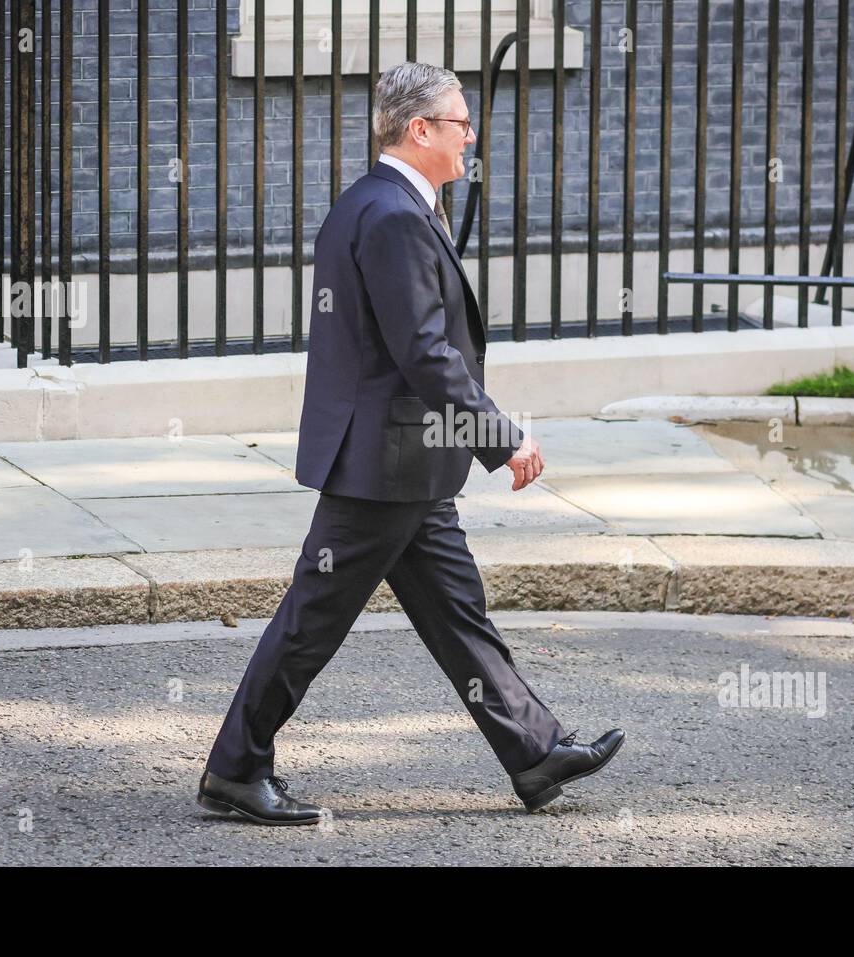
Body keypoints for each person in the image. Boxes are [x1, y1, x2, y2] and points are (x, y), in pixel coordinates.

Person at [197, 61, 624, 824]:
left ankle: (534, 750)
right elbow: (423, 352)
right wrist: (502, 437)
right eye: (461, 122)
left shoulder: (380, 202)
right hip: (382, 465)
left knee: (459, 612)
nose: (471, 136)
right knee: (313, 619)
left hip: (405, 463)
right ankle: (235, 767)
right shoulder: (392, 214)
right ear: (419, 129)